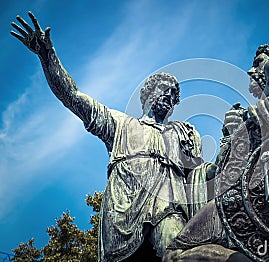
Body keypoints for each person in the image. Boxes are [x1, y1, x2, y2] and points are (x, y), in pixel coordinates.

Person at [11, 12, 206, 261]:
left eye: (174, 95)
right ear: (147, 94)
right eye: (163, 90)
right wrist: (47, 56)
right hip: (122, 210)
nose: (169, 96)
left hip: (168, 206)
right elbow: (73, 96)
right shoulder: (120, 124)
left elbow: (200, 176)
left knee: (178, 253)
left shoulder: (181, 133)